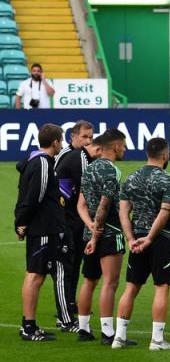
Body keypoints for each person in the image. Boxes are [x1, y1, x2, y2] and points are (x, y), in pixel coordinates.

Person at [115, 137, 170, 351]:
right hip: (159, 239)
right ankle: (157, 340)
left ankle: (119, 337)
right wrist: (150, 238)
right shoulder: (168, 180)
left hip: (136, 238)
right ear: (165, 154)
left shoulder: (131, 178)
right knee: (161, 288)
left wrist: (131, 238)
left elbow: (123, 211)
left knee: (131, 287)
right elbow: (164, 212)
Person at [76, 129, 128, 346]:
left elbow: (81, 204)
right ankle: (108, 333)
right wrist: (97, 234)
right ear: (115, 147)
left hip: (89, 232)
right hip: (108, 234)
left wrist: (89, 228)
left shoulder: (89, 169)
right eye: (123, 146)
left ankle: (83, 328)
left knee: (89, 280)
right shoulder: (112, 171)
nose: (125, 149)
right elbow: (104, 206)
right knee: (110, 282)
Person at [15, 123, 65, 341]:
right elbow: (35, 196)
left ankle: (28, 324)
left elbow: (23, 194)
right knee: (36, 275)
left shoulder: (33, 161)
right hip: (44, 227)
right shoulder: (44, 163)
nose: (62, 145)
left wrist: (21, 222)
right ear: (55, 142)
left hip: (38, 226)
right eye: (61, 141)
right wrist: (22, 221)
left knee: (34, 274)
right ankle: (28, 326)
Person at [52, 119, 96, 331]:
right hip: (66, 220)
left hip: (75, 219)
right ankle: (64, 313)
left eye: (91, 137)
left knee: (75, 264)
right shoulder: (70, 156)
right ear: (73, 137)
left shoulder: (81, 156)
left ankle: (69, 304)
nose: (88, 141)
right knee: (66, 267)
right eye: (84, 137)